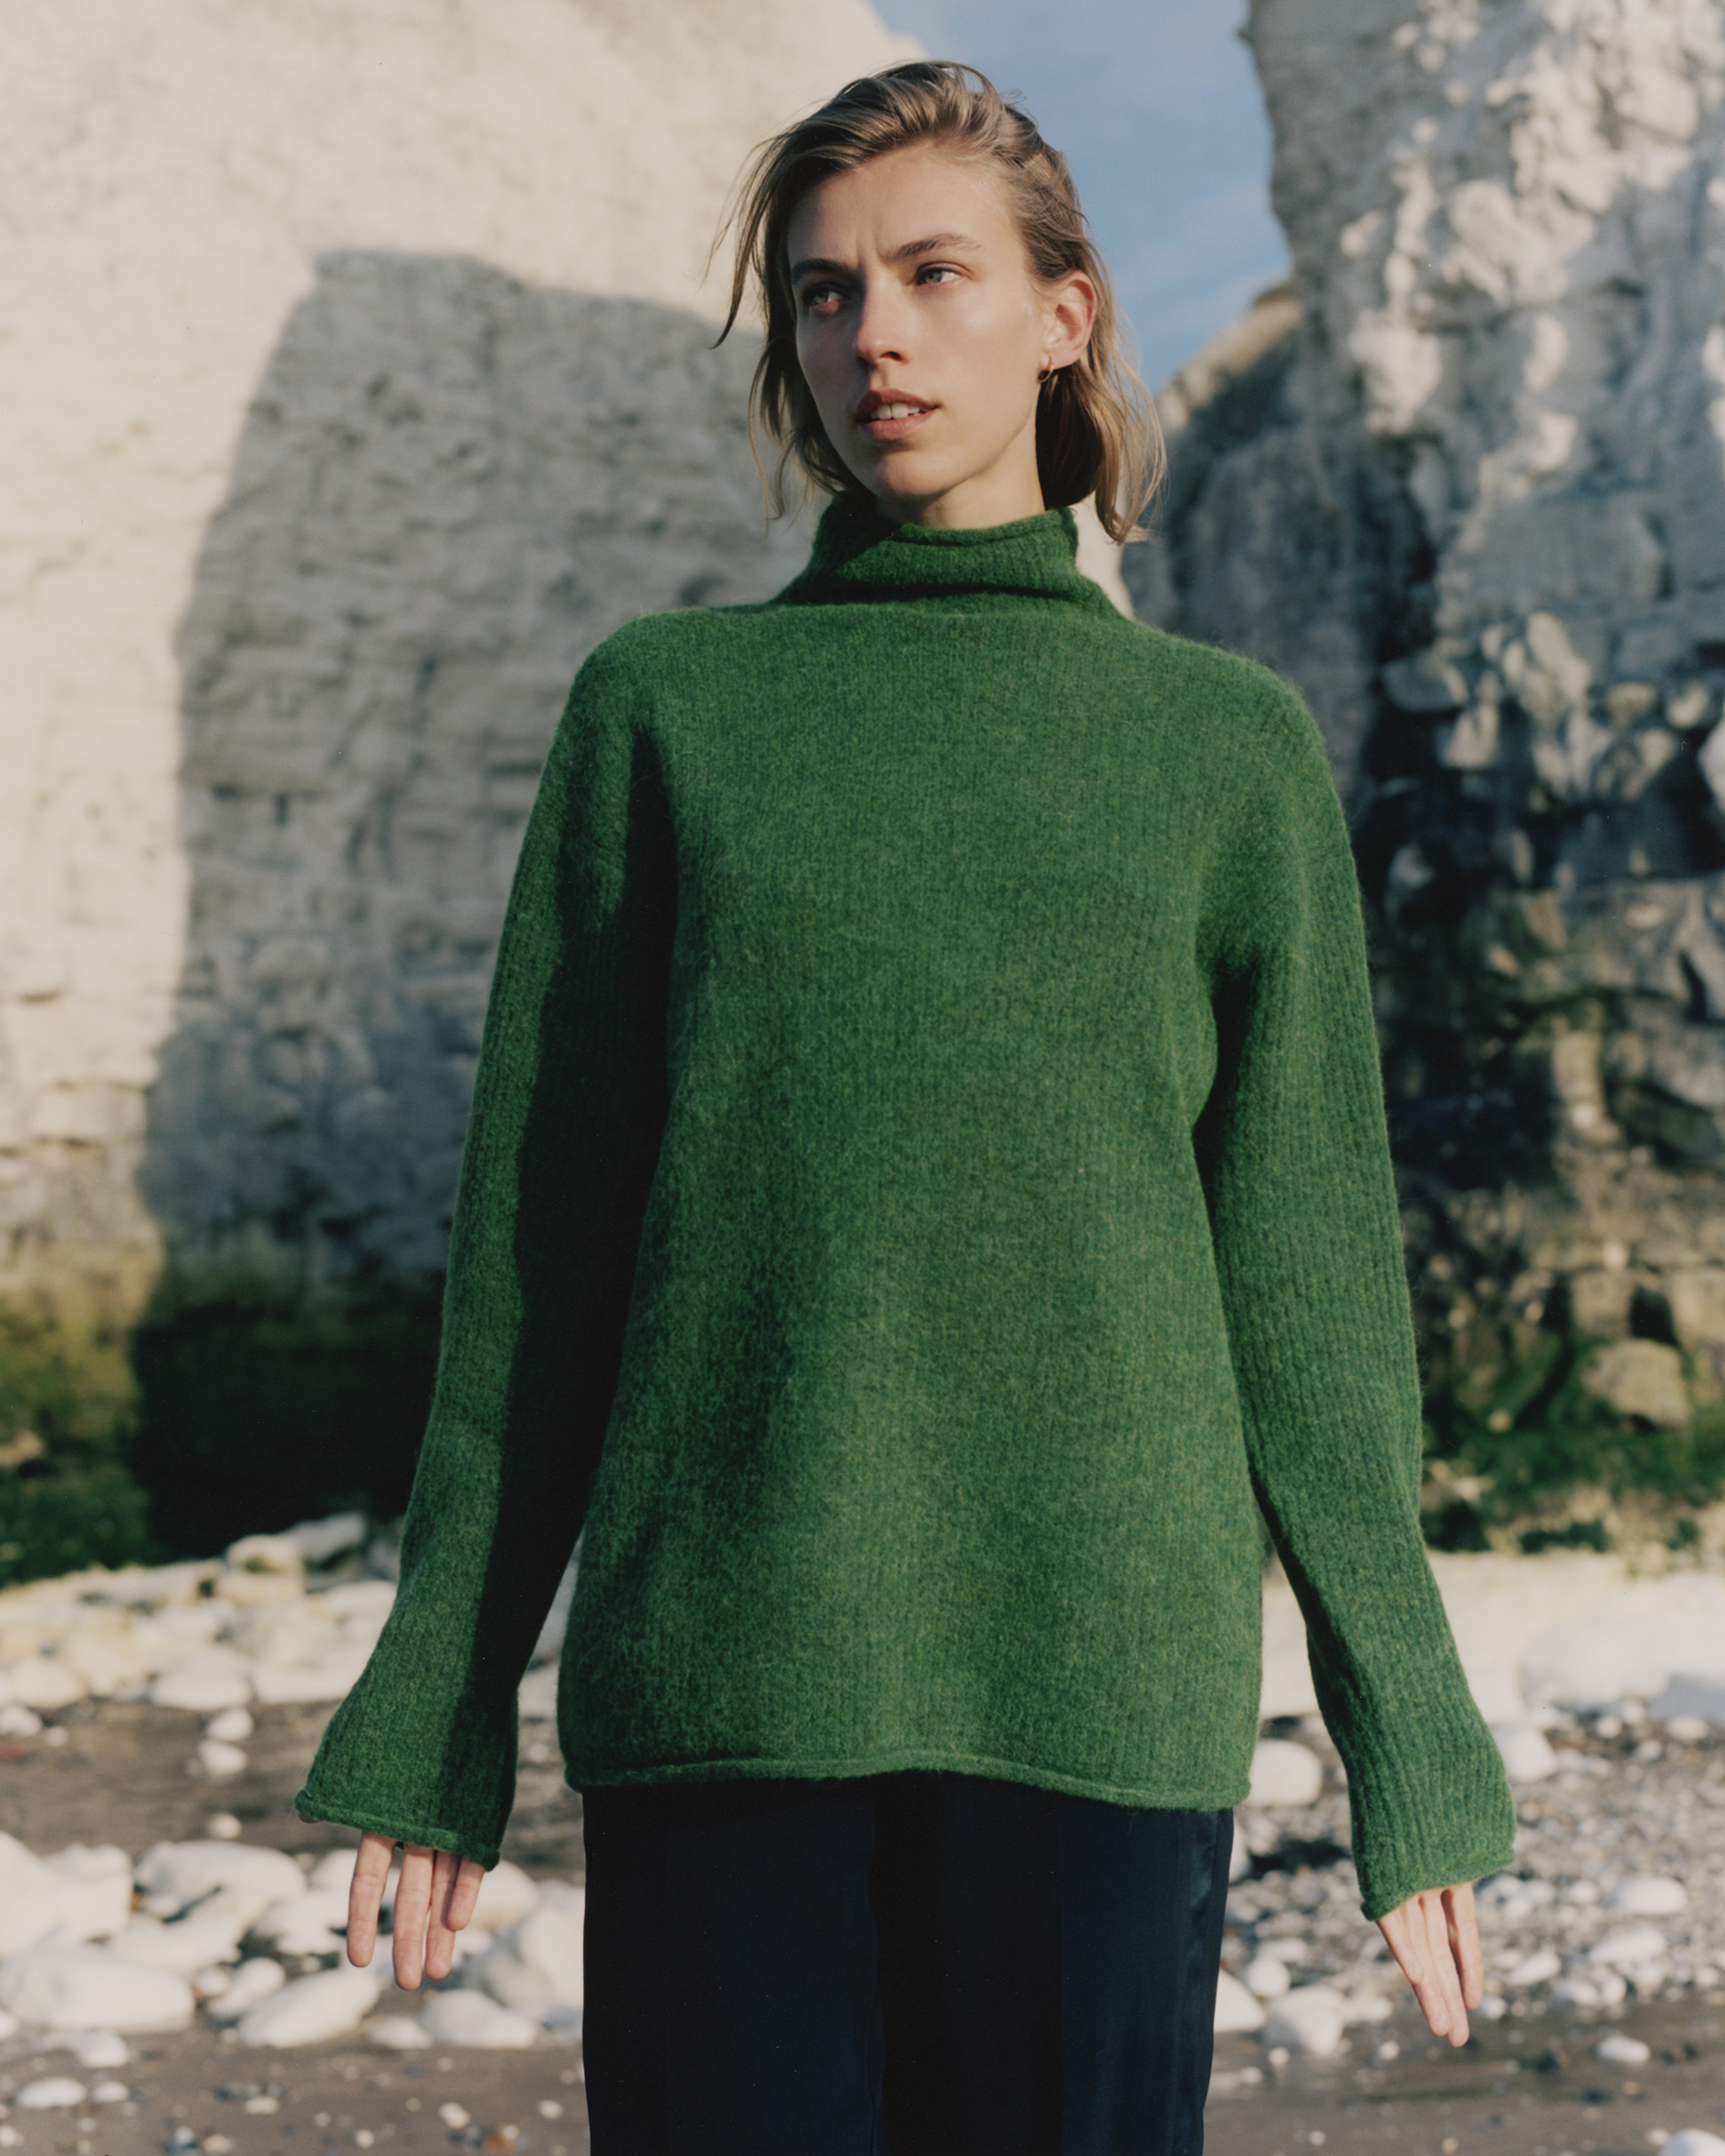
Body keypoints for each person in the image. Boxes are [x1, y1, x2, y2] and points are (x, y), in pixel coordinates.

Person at [298, 59, 1515, 2154]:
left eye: (936, 273)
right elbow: (540, 1263)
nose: (874, 334)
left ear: (1065, 314)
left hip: (1101, 1697)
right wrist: (437, 1700)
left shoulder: (1221, 751)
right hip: (725, 1688)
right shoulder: (665, 713)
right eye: (823, 289)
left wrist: (1407, 1730)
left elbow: (1309, 1292)